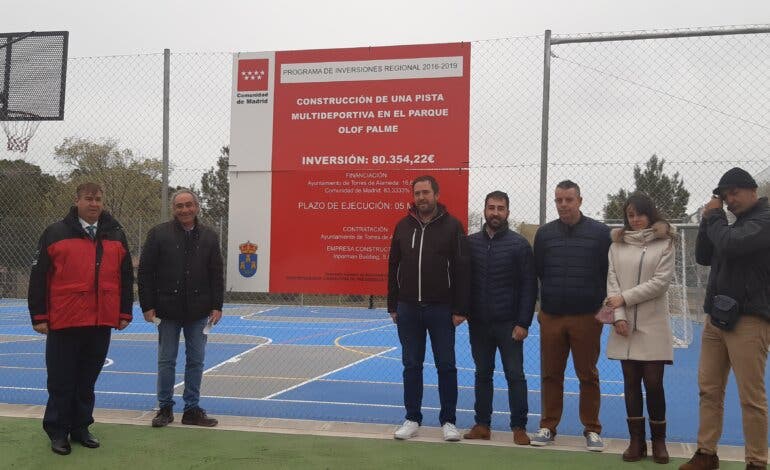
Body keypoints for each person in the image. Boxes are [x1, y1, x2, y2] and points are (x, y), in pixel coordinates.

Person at [28, 182, 133, 455]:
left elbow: (125, 276)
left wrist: (124, 312)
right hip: (65, 319)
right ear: (77, 202)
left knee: (87, 379)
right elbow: (39, 277)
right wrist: (39, 316)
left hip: (100, 321)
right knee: (62, 380)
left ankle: (81, 427)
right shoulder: (55, 233)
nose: (94, 204)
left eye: (98, 199)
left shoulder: (116, 233)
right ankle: (58, 431)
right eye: (88, 199)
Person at [681, 168, 770, 470]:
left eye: (734, 192)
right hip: (716, 319)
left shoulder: (764, 219)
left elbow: (733, 244)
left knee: (751, 397)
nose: (730, 200)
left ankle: (757, 462)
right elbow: (704, 255)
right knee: (709, 389)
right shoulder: (730, 224)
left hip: (749, 321)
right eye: (724, 195)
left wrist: (717, 218)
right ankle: (706, 454)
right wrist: (708, 219)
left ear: (751, 190)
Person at [387, 175, 470, 442]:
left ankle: (449, 422)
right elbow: (393, 267)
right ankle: (412, 418)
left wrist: (460, 308)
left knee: (446, 365)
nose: (421, 197)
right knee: (411, 365)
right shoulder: (402, 226)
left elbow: (462, 270)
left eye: (425, 192)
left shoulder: (453, 227)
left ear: (436, 194)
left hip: (441, 309)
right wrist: (393, 304)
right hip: (408, 308)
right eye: (417, 193)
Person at [531, 180, 611, 451]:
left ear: (579, 200)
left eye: (568, 199)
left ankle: (592, 429)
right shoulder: (544, 235)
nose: (563, 205)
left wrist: (600, 309)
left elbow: (607, 273)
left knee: (587, 374)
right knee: (551, 374)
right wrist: (542, 311)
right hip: (552, 315)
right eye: (558, 200)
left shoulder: (600, 234)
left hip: (587, 318)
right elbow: (539, 272)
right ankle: (548, 426)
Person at [138, 188, 224, 428]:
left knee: (196, 360)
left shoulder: (209, 236)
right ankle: (164, 408)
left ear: (196, 207)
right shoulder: (158, 234)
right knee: (167, 360)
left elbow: (216, 273)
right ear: (173, 209)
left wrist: (217, 305)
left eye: (189, 205)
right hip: (167, 310)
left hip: (199, 311)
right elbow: (145, 272)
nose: (184, 210)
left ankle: (192, 409)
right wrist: (147, 305)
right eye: (179, 206)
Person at [605, 193, 675, 464]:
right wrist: (619, 315)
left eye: (640, 214)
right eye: (630, 215)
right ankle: (636, 442)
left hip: (653, 324)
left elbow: (660, 283)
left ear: (650, 214)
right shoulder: (616, 246)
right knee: (631, 384)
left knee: (654, 384)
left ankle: (659, 442)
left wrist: (624, 298)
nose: (635, 220)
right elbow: (612, 282)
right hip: (623, 325)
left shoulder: (665, 243)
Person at [463, 191, 537, 445]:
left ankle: (519, 427)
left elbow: (529, 286)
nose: (495, 212)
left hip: (510, 325)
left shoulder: (519, 245)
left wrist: (523, 322)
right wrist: (463, 311)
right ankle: (482, 424)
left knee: (515, 375)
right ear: (484, 210)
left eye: (500, 208)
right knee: (482, 374)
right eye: (491, 207)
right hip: (479, 324)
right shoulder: (470, 243)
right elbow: (464, 283)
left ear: (508, 212)